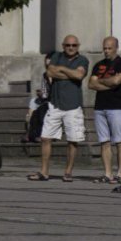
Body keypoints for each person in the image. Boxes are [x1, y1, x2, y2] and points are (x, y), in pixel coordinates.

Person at [28, 35, 88, 182]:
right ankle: (44, 172)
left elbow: (79, 75)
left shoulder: (82, 60)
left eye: (74, 45)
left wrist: (60, 69)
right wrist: (70, 73)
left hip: (73, 105)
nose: (71, 47)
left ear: (78, 46)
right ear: (63, 45)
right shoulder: (56, 56)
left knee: (73, 140)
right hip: (55, 104)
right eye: (68, 45)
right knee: (45, 138)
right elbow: (49, 72)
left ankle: (68, 172)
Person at [88, 36, 121, 183]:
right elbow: (91, 84)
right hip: (100, 107)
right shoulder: (98, 65)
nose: (106, 51)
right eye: (104, 48)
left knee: (119, 141)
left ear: (116, 48)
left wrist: (100, 81)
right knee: (104, 141)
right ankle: (108, 174)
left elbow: (117, 81)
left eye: (109, 48)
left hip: (117, 107)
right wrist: (109, 83)